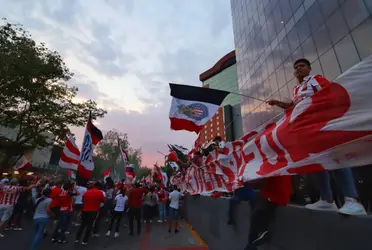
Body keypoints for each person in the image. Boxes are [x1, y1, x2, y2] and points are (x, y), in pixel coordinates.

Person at [267, 58, 366, 216]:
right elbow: (295, 107)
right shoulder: (296, 89)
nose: (298, 69)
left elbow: (329, 94)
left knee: (336, 157)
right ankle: (327, 200)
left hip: (323, 124)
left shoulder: (316, 79)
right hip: (307, 129)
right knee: (315, 162)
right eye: (296, 67)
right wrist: (278, 103)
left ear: (309, 68)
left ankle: (353, 200)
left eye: (302, 66)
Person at [244, 176, 292, 250]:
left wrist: (248, 180)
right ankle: (254, 239)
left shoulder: (276, 166)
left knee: (258, 210)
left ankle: (257, 237)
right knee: (254, 202)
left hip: (276, 194)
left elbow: (262, 181)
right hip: (269, 193)